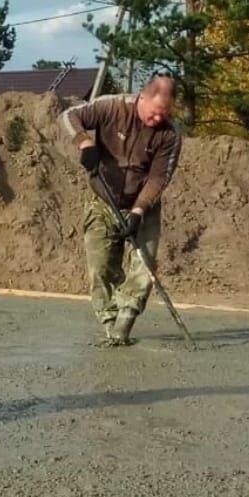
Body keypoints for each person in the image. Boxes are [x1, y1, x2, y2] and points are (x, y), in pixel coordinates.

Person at [59, 73, 182, 346]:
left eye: (164, 113)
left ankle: (125, 322)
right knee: (101, 266)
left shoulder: (170, 134)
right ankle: (109, 322)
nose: (158, 118)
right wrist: (84, 142)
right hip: (103, 199)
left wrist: (138, 212)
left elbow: (159, 178)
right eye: (154, 112)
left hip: (143, 203)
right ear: (142, 97)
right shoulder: (111, 106)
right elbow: (68, 116)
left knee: (144, 265)